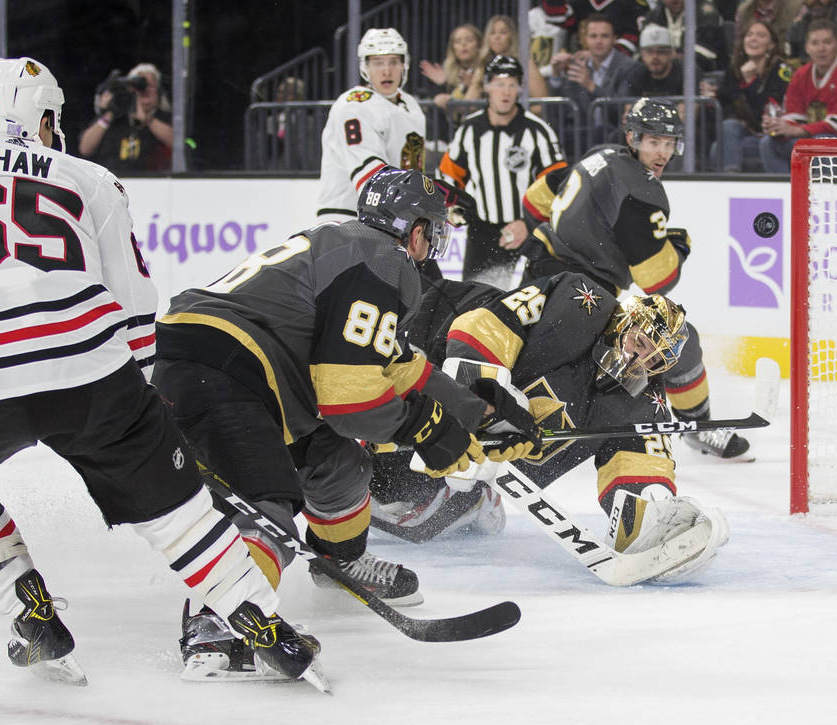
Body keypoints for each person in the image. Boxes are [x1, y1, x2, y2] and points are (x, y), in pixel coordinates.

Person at [0, 56, 324, 690]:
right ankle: (258, 620)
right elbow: (133, 313)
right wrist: (146, 417)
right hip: (89, 371)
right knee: (178, 512)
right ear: (43, 119)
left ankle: (29, 611)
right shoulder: (90, 178)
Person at [152, 167, 541, 678]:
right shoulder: (385, 260)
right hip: (223, 371)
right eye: (432, 229)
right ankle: (217, 620)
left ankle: (339, 561)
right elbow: (347, 400)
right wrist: (427, 430)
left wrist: (479, 415)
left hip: (227, 365)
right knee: (270, 501)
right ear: (415, 230)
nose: (433, 244)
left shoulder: (351, 247)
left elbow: (401, 365)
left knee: (339, 464)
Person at [368, 273, 730, 585]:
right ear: (626, 321)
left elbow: (641, 476)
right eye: (639, 341)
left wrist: (658, 529)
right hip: (427, 340)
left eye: (653, 358)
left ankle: (474, 501)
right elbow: (479, 328)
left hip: (477, 457)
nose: (639, 359)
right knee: (370, 463)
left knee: (420, 519)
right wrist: (478, 406)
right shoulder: (580, 300)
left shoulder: (643, 403)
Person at [520, 98, 753, 460]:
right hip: (582, 300)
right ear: (633, 137)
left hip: (535, 280)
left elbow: (535, 201)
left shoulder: (601, 154)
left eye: (668, 143)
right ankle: (698, 426)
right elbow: (659, 281)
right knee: (677, 337)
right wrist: (679, 245)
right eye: (652, 142)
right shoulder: (642, 191)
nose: (661, 153)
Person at [437, 56, 564, 287]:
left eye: (511, 85)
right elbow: (448, 175)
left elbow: (558, 184)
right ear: (486, 87)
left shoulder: (538, 132)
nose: (505, 92)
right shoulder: (469, 130)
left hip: (531, 233)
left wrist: (529, 224)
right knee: (477, 305)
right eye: (498, 84)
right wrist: (454, 208)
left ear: (520, 89)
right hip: (482, 234)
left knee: (533, 306)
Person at [315, 28, 425, 223]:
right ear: (365, 66)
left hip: (394, 218)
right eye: (377, 63)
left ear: (404, 65)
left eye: (393, 62)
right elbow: (371, 179)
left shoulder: (411, 105)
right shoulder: (353, 105)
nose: (386, 70)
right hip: (348, 218)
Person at [701, 20, 792, 171]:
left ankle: (731, 179)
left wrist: (751, 82)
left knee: (718, 148)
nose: (753, 39)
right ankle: (731, 178)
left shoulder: (782, 70)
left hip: (773, 138)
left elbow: (768, 112)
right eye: (749, 35)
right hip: (746, 135)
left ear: (772, 45)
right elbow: (725, 110)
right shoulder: (735, 69)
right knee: (727, 129)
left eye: (761, 35)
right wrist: (713, 100)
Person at [760, 18, 837, 172]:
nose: (821, 48)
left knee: (820, 143)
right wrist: (778, 125)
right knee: (768, 143)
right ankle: (783, 191)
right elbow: (795, 115)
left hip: (828, 141)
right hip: (811, 138)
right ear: (807, 48)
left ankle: (824, 195)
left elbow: (834, 122)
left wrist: (798, 130)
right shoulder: (801, 75)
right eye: (815, 43)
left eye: (827, 42)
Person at [548, 13, 638, 144]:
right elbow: (561, 112)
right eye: (593, 36)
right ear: (585, 39)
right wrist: (556, 76)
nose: (598, 41)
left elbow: (621, 110)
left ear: (614, 39)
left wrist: (590, 86)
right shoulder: (577, 65)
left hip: (618, 140)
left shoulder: (629, 67)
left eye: (604, 36)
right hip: (582, 141)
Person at [77, 63, 173, 174]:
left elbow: (176, 144)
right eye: (140, 86)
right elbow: (85, 149)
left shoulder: (165, 117)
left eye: (150, 86)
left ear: (158, 91)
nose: (145, 90)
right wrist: (108, 113)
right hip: (113, 180)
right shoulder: (116, 117)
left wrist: (148, 120)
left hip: (152, 181)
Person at [420, 23, 485, 120]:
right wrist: (442, 84)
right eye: (458, 41)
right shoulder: (446, 72)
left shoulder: (485, 69)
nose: (464, 44)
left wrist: (471, 85)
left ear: (479, 45)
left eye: (469, 40)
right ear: (453, 48)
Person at [642, 0, 728, 71]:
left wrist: (669, 56)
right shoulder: (654, 16)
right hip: (665, 75)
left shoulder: (706, 13)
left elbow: (704, 57)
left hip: (703, 74)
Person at [482, 15, 550, 98]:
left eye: (503, 32)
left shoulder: (526, 65)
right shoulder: (482, 66)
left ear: (511, 36)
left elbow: (541, 103)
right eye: (492, 33)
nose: (497, 37)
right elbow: (469, 105)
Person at [735, 0, 802, 44]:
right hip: (752, 60)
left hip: (785, 61)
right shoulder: (744, 10)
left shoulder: (796, 7)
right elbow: (739, 44)